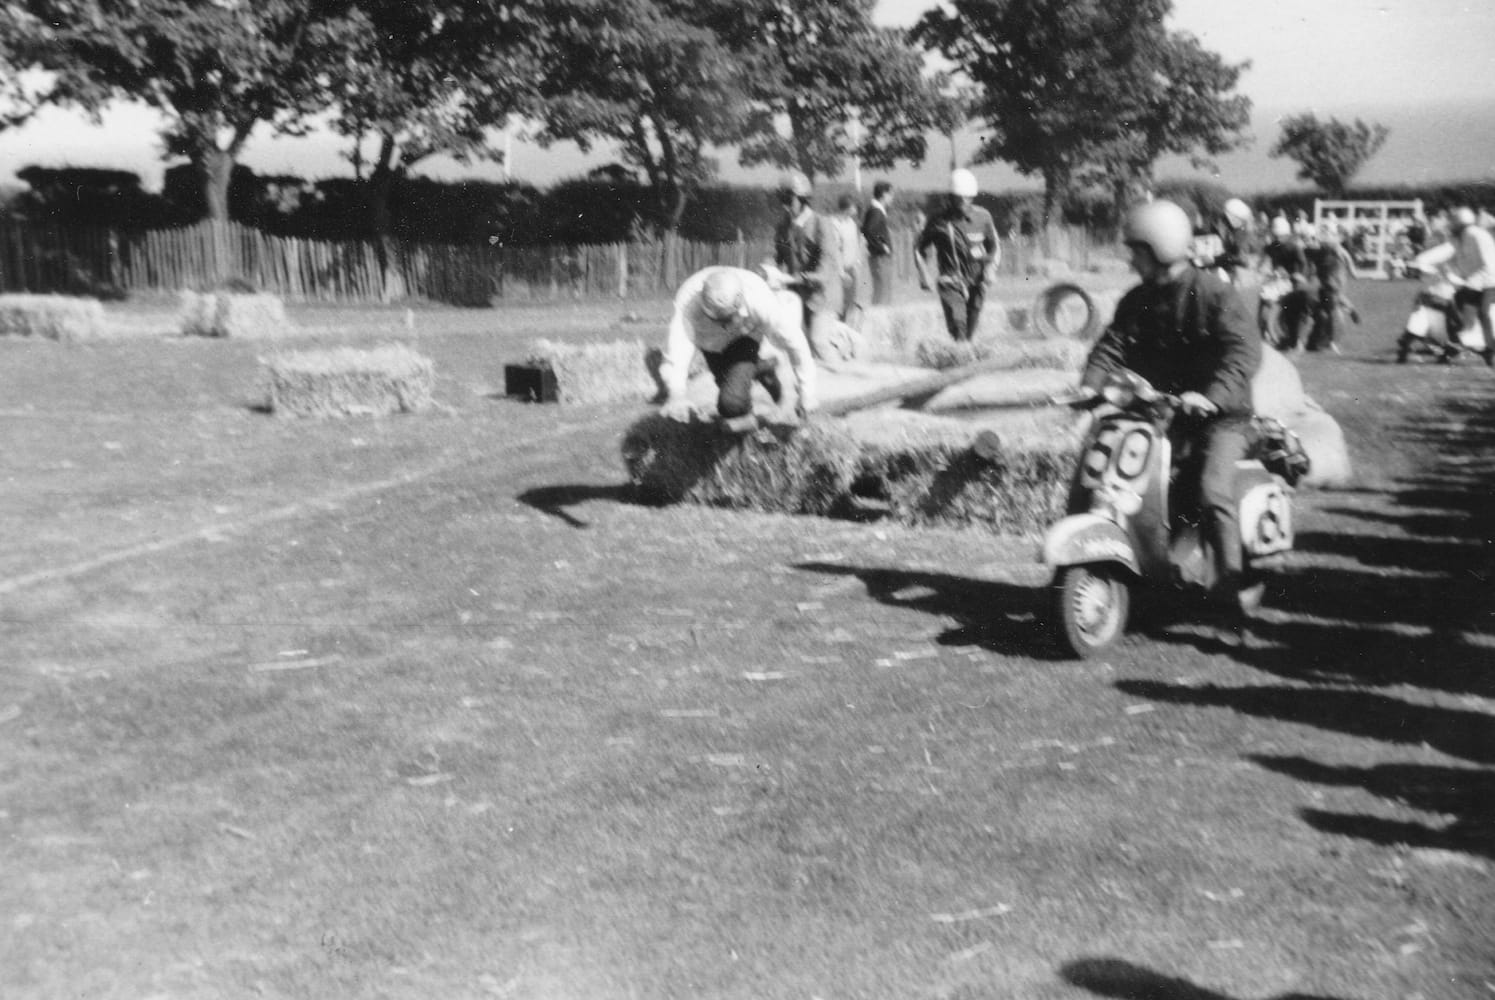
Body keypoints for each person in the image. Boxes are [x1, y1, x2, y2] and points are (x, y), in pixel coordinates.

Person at [1078, 199, 1263, 613]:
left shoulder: (1216, 295)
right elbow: (1112, 345)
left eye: (1137, 251)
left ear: (1159, 249)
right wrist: (1090, 387)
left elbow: (1243, 353)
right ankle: (1143, 564)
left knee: (1211, 489)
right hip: (1163, 414)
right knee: (1129, 483)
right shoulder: (1137, 298)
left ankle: (1229, 589)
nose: (1131, 260)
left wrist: (1211, 397)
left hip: (1223, 420)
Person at [657, 266, 818, 422]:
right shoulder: (689, 304)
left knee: (731, 404)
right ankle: (762, 369)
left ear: (739, 302)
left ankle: (744, 417)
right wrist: (677, 394)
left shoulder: (761, 301)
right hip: (710, 341)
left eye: (727, 318)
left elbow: (796, 344)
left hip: (745, 334)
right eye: (717, 319)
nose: (724, 325)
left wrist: (807, 393)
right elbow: (677, 351)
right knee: (727, 388)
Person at [913, 168, 1000, 342]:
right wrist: (923, 274)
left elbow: (994, 247)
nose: (963, 202)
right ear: (950, 198)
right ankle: (959, 353)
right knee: (958, 328)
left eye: (967, 197)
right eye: (959, 198)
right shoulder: (938, 221)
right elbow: (919, 249)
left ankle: (965, 357)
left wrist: (991, 268)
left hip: (977, 281)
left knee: (969, 332)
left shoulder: (983, 217)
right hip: (950, 282)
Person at [1414, 206, 1495, 365]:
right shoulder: (1462, 237)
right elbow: (1448, 253)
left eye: (1454, 224)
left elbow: (1489, 264)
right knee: (1466, 316)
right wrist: (1423, 261)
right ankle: (1472, 349)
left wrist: (1469, 282)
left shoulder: (1476, 235)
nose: (1452, 227)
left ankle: (1474, 349)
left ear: (1461, 223)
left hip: (1489, 282)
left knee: (1482, 314)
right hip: (1476, 283)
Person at [772, 170, 829, 340]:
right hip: (794, 297)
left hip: (821, 297)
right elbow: (777, 257)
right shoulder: (783, 227)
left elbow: (825, 272)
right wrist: (769, 270)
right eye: (782, 200)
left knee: (819, 343)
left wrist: (797, 278)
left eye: (788, 200)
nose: (784, 205)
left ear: (802, 199)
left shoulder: (821, 224)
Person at [1259, 215, 1313, 350]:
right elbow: (1263, 262)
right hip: (1277, 280)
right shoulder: (1271, 247)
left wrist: (1297, 275)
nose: (1278, 239)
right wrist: (1265, 269)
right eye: (1276, 236)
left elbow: (1303, 265)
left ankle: (1296, 338)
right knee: (1264, 299)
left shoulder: (1295, 246)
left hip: (1292, 280)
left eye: (1280, 236)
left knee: (1295, 308)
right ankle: (1265, 333)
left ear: (1286, 234)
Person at [1305, 226, 1359, 353]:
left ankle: (1331, 341)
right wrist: (1353, 272)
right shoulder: (1332, 250)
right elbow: (1349, 262)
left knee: (1330, 308)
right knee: (1330, 304)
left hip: (1332, 282)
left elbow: (1347, 260)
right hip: (1333, 282)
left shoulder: (1332, 251)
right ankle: (1349, 309)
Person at [830, 193, 863, 328]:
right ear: (847, 207)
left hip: (851, 269)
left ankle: (846, 331)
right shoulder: (834, 224)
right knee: (840, 306)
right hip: (840, 271)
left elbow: (855, 245)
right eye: (854, 205)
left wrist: (856, 263)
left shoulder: (852, 223)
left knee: (850, 304)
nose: (856, 208)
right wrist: (841, 272)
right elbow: (836, 249)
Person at [861, 180, 894, 306]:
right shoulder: (876, 211)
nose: (892, 198)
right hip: (880, 257)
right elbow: (869, 231)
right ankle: (879, 321)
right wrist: (882, 247)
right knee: (883, 291)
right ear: (884, 194)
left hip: (878, 257)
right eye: (891, 194)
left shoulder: (876, 210)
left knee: (881, 290)